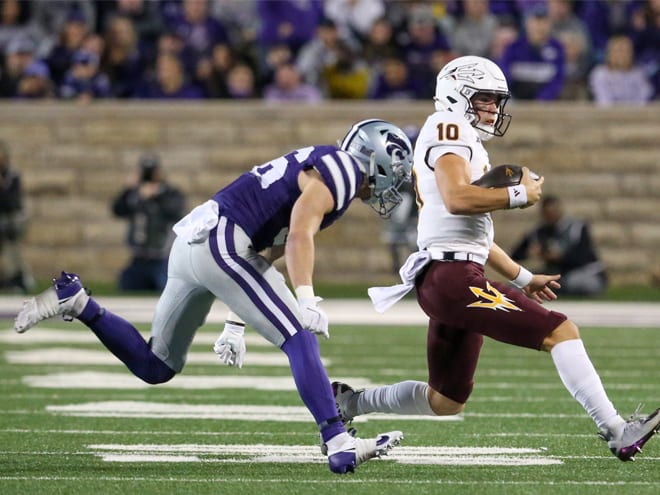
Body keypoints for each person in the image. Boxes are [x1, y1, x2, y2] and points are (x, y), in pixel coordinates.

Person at [14, 119, 413, 474]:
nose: (394, 182)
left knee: (157, 365)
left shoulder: (328, 170)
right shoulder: (344, 169)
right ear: (374, 157)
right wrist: (306, 299)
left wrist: (235, 323)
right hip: (223, 241)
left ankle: (78, 301)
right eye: (395, 170)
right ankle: (339, 443)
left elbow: (268, 251)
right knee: (299, 336)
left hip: (198, 243)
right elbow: (298, 234)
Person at [332, 56, 660, 463]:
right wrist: (516, 195)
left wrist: (523, 276)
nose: (492, 109)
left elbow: (475, 238)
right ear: (457, 95)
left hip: (449, 274)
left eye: (494, 100)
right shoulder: (446, 127)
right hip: (451, 277)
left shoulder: (467, 142)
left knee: (446, 399)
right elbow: (456, 199)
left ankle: (349, 403)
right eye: (485, 99)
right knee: (560, 330)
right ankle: (616, 430)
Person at [111, 153, 186, 292]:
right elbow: (118, 210)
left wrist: (157, 197)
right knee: (125, 290)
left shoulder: (169, 193)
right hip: (138, 258)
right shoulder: (134, 195)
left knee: (168, 292)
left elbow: (176, 212)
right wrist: (127, 189)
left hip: (161, 258)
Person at [511, 195, 607, 297]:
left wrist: (560, 257)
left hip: (582, 272)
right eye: (547, 213)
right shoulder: (538, 233)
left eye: (553, 211)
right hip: (556, 274)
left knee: (578, 283)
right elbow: (515, 256)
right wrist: (529, 253)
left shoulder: (576, 228)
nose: (551, 215)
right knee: (520, 283)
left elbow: (584, 255)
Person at [0, 140, 34, 292]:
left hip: (10, 221)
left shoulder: (12, 178)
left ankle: (18, 278)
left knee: (12, 246)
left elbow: (12, 203)